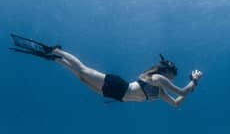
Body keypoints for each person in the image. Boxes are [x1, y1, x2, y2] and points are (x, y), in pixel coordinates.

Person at [9, 34, 202, 106]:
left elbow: (177, 102)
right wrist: (194, 80)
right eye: (173, 74)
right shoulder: (159, 78)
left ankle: (55, 59)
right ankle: (57, 50)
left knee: (81, 78)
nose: (172, 78)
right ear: (166, 71)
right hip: (119, 86)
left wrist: (190, 87)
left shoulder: (160, 92)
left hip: (116, 96)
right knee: (84, 70)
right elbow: (182, 91)